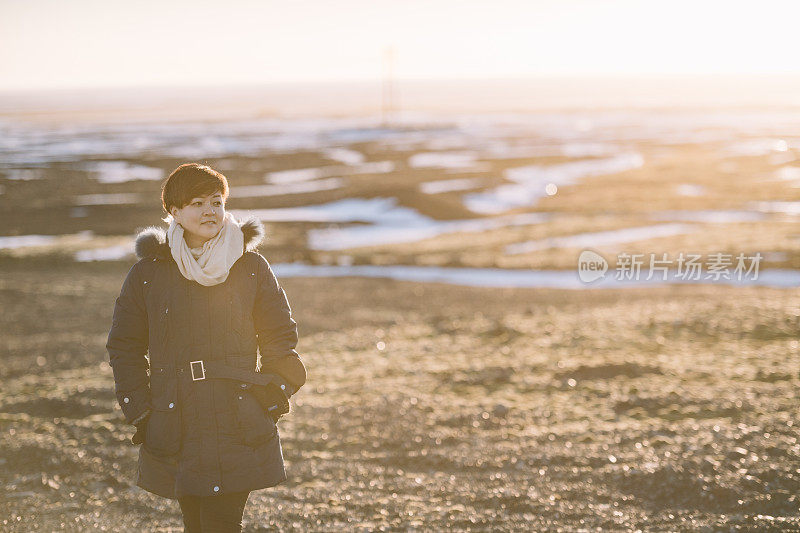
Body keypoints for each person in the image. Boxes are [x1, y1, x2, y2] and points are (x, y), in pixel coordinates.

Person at [106, 163, 305, 532]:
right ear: (174, 212)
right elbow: (124, 347)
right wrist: (140, 410)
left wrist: (276, 389)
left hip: (238, 416)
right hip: (175, 417)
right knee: (195, 523)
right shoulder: (149, 274)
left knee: (221, 523)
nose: (210, 211)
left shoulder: (251, 267)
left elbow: (280, 335)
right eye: (197, 202)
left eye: (216, 201)